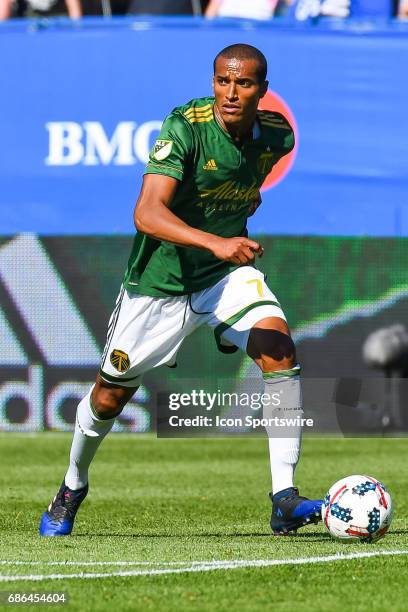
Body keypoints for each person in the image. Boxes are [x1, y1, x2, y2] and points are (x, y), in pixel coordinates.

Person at [39, 43, 322, 538]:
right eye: (223, 81)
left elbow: (240, 185)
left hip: (222, 279)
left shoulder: (278, 137)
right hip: (158, 285)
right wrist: (217, 241)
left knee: (278, 348)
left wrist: (228, 237)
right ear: (213, 82)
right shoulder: (185, 128)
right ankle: (71, 486)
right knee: (108, 398)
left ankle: (284, 498)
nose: (231, 93)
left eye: (244, 83)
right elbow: (146, 213)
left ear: (263, 91)